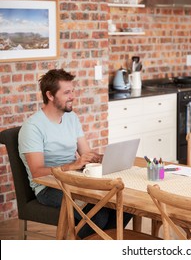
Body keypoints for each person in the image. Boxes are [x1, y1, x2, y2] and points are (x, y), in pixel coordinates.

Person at [18, 69, 132, 238]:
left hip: (75, 178)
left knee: (126, 206)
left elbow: (86, 153)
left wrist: (102, 158)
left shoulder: (71, 118)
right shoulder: (33, 127)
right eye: (67, 92)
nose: (72, 96)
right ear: (50, 95)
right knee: (99, 215)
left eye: (72, 91)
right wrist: (72, 165)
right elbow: (37, 173)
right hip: (49, 187)